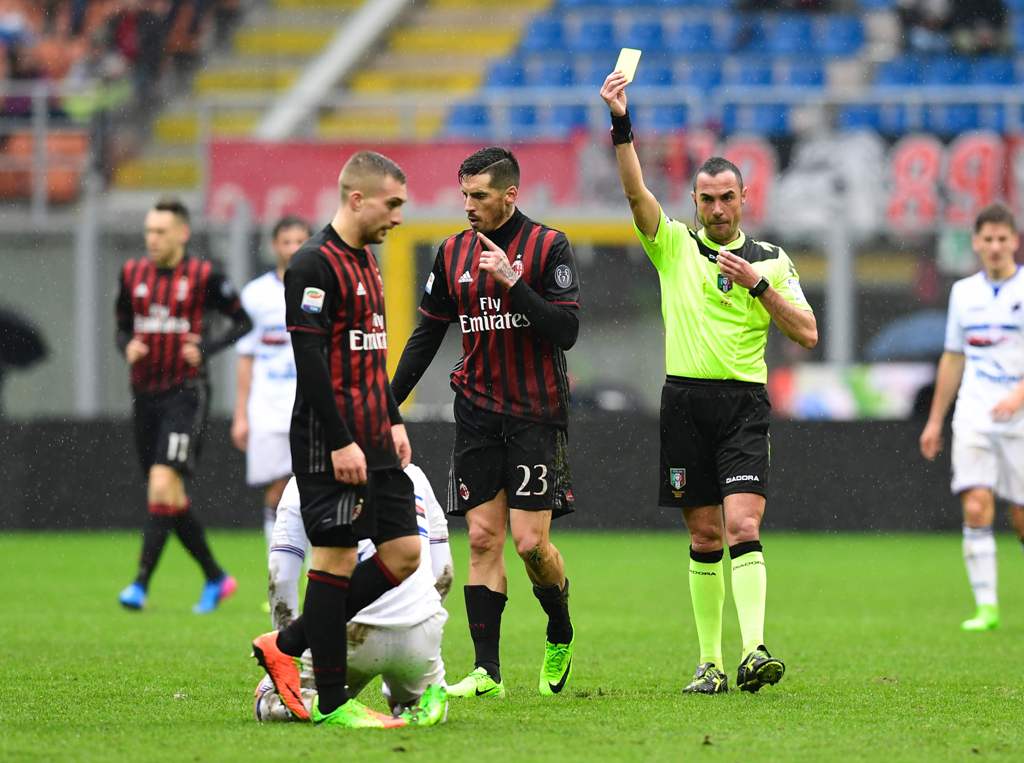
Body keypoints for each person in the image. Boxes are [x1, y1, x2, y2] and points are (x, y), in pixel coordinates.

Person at [599, 72, 818, 695]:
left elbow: (807, 333)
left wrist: (758, 285)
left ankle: (754, 650)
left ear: (744, 197)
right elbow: (636, 191)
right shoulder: (672, 247)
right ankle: (710, 663)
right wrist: (621, 122)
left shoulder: (771, 260)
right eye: (706, 199)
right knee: (703, 535)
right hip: (684, 403)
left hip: (743, 403)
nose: (717, 209)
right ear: (695, 202)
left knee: (745, 525)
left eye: (727, 197)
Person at [392, 146, 579, 699]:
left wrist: (515, 284)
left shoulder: (549, 246)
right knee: (480, 537)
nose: (468, 205)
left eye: (479, 195)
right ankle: (487, 672)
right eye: (464, 194)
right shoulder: (451, 253)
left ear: (509, 195)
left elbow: (565, 332)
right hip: (476, 412)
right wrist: (385, 405)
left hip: (535, 416)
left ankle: (560, 628)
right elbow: (426, 336)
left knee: (529, 545)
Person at [249, 150, 423, 730]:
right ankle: (331, 703)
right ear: (356, 198)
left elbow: (371, 357)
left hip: (376, 436)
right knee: (336, 558)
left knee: (404, 553)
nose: (398, 216)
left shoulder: (367, 262)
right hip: (332, 442)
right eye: (391, 203)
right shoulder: (311, 265)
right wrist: (343, 441)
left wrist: (393, 419)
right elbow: (312, 363)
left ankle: (288, 643)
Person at [114, 196, 252, 613]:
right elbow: (121, 327)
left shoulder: (204, 275)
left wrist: (206, 348)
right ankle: (215, 577)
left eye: (160, 232)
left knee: (161, 485)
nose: (151, 239)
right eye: (148, 232)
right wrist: (129, 346)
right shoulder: (132, 274)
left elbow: (242, 320)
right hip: (144, 395)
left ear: (182, 233)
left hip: (186, 394)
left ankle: (139, 584)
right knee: (168, 496)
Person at [255, 462, 451, 726]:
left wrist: (289, 652)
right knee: (427, 700)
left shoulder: (306, 481)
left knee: (269, 702)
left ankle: (309, 699)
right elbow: (444, 573)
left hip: (343, 634)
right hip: (420, 631)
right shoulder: (413, 474)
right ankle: (414, 702)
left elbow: (281, 578)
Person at [919, 202, 1024, 632]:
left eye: (1003, 238)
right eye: (988, 239)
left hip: (1019, 416)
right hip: (975, 412)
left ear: (1014, 242)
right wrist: (934, 420)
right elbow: (953, 357)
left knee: (1020, 515)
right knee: (976, 503)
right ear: (977, 243)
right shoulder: (963, 293)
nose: (996, 246)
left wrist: (1019, 394)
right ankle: (987, 608)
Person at [232, 215, 311, 549]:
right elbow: (246, 357)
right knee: (276, 490)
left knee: (312, 487)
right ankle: (277, 573)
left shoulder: (320, 288)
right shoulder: (255, 295)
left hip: (310, 405)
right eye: (286, 241)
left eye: (299, 241)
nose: (293, 248)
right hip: (268, 406)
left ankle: (313, 572)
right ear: (275, 246)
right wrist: (241, 414)